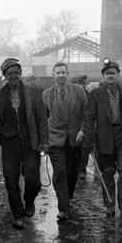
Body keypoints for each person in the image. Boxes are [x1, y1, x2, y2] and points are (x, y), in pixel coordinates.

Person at [0, 58, 48, 229]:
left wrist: (44, 141)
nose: (13, 76)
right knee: (11, 180)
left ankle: (29, 202)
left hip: (30, 143)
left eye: (16, 72)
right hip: (10, 143)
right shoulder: (0, 93)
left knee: (33, 180)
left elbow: (42, 117)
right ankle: (18, 215)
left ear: (20, 73)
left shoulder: (33, 92)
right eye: (9, 73)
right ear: (4, 76)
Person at [84, 60, 122, 219]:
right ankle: (109, 206)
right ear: (103, 76)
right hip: (103, 139)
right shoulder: (96, 94)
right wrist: (89, 140)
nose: (110, 76)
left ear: (118, 74)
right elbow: (89, 119)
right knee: (108, 173)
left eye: (113, 73)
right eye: (107, 73)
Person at [42, 62, 87, 221]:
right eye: (58, 72)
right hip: (56, 139)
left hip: (75, 138)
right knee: (60, 171)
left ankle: (67, 198)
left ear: (67, 74)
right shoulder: (46, 94)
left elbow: (85, 113)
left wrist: (82, 130)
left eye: (63, 72)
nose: (60, 75)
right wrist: (44, 140)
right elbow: (43, 119)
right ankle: (63, 207)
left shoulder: (79, 91)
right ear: (53, 75)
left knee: (72, 172)